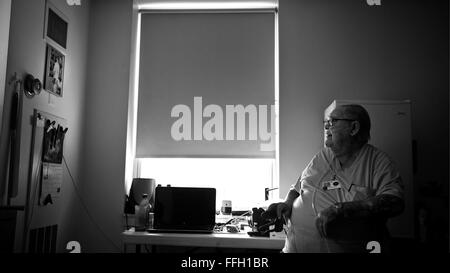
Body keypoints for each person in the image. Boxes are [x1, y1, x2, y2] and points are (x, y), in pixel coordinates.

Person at [264, 104, 405, 253]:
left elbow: (395, 202)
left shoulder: (378, 162)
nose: (326, 128)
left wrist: (342, 209)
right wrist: (286, 204)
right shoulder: (322, 156)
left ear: (354, 128)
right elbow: (298, 188)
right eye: (326, 123)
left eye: (333, 122)